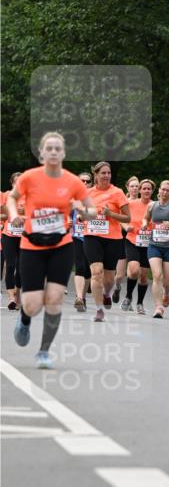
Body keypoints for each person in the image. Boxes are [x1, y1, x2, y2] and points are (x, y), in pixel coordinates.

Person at [7, 132, 94, 368]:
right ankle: (25, 318)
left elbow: (92, 211)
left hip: (61, 245)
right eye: (49, 148)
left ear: (63, 153)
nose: (54, 152)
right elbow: (12, 199)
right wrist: (14, 215)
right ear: (42, 153)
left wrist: (82, 209)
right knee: (33, 304)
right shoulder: (29, 177)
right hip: (32, 245)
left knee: (55, 299)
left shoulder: (73, 182)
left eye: (58, 148)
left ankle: (44, 351)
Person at [83, 162, 130, 322]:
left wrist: (111, 214)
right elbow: (82, 216)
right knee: (96, 273)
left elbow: (127, 217)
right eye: (103, 173)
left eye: (108, 173)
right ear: (96, 175)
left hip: (113, 239)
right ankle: (98, 309)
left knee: (109, 278)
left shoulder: (117, 193)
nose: (106, 176)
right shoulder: (88, 193)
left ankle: (107, 293)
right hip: (92, 236)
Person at [142, 179, 169, 319]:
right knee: (157, 276)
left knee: (167, 281)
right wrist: (144, 224)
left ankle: (166, 293)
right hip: (154, 245)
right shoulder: (151, 205)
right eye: (162, 189)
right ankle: (158, 307)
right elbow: (146, 218)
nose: (164, 192)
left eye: (167, 190)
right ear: (159, 190)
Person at [122, 177, 153, 314]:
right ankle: (128, 296)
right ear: (140, 190)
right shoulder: (131, 204)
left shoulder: (155, 206)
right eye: (144, 188)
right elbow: (120, 218)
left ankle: (140, 303)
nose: (146, 190)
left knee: (143, 276)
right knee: (134, 270)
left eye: (149, 188)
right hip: (132, 240)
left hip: (148, 243)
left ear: (152, 191)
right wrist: (126, 226)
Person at [112, 176, 140, 304]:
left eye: (137, 186)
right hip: (122, 238)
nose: (135, 188)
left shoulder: (143, 203)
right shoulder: (124, 203)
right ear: (127, 188)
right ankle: (117, 287)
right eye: (132, 186)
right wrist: (125, 226)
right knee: (119, 275)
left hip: (137, 240)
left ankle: (129, 296)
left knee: (133, 271)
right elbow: (117, 219)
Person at [2, 173, 25, 311]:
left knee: (21, 268)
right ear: (11, 183)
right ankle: (11, 298)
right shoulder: (6, 195)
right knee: (10, 266)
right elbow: (3, 214)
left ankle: (18, 295)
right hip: (9, 235)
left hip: (23, 236)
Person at [72, 171, 92, 312]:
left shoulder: (95, 197)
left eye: (87, 181)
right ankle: (79, 297)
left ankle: (83, 297)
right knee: (79, 266)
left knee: (88, 270)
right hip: (76, 236)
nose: (84, 183)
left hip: (92, 237)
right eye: (82, 181)